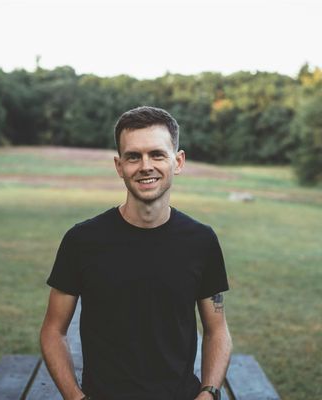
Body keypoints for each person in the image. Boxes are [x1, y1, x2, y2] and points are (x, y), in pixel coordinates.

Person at [40, 106, 232, 400]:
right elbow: (53, 331)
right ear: (119, 166)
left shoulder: (201, 241)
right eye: (133, 156)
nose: (145, 166)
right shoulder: (82, 240)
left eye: (157, 154)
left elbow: (217, 330)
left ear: (178, 161)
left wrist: (208, 393)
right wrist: (75, 397)